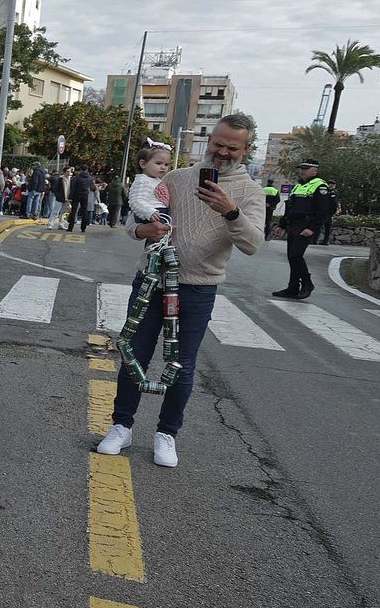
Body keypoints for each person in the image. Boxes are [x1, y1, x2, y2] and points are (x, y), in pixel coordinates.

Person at [96, 115, 263, 468]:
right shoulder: (175, 178)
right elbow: (133, 224)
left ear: (246, 149)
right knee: (133, 354)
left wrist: (230, 211)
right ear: (210, 140)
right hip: (153, 280)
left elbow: (253, 243)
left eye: (232, 147)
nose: (222, 152)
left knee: (182, 365)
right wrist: (145, 232)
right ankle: (121, 426)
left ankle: (166, 434)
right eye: (217, 143)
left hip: (199, 288)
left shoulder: (250, 192)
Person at [274, 159, 334, 300]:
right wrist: (282, 225)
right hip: (293, 225)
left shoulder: (320, 186)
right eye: (301, 168)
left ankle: (307, 283)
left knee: (296, 255)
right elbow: (290, 207)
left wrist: (312, 228)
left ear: (315, 170)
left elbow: (323, 211)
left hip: (306, 226)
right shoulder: (298, 186)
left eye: (306, 168)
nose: (302, 171)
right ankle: (293, 288)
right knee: (291, 256)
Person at [127, 144, 173, 226]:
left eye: (166, 164)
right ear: (143, 164)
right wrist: (149, 211)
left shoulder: (156, 180)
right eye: (159, 163)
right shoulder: (142, 180)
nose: (163, 167)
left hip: (159, 213)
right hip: (151, 215)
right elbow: (135, 200)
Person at [67, 166, 94, 232]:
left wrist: (70, 197)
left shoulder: (76, 177)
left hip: (76, 195)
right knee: (84, 211)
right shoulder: (90, 178)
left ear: (81, 170)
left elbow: (72, 188)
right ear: (87, 170)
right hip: (85, 195)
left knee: (74, 211)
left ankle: (70, 227)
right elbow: (92, 187)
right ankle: (83, 228)